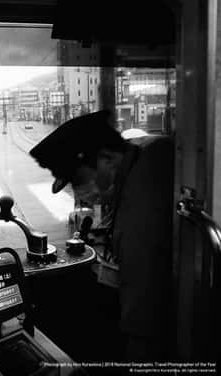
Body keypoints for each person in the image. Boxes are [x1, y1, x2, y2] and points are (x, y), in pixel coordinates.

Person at [29, 110, 174, 362]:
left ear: (107, 158)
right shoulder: (141, 156)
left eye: (79, 179)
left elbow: (143, 317)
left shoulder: (139, 206)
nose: (80, 192)